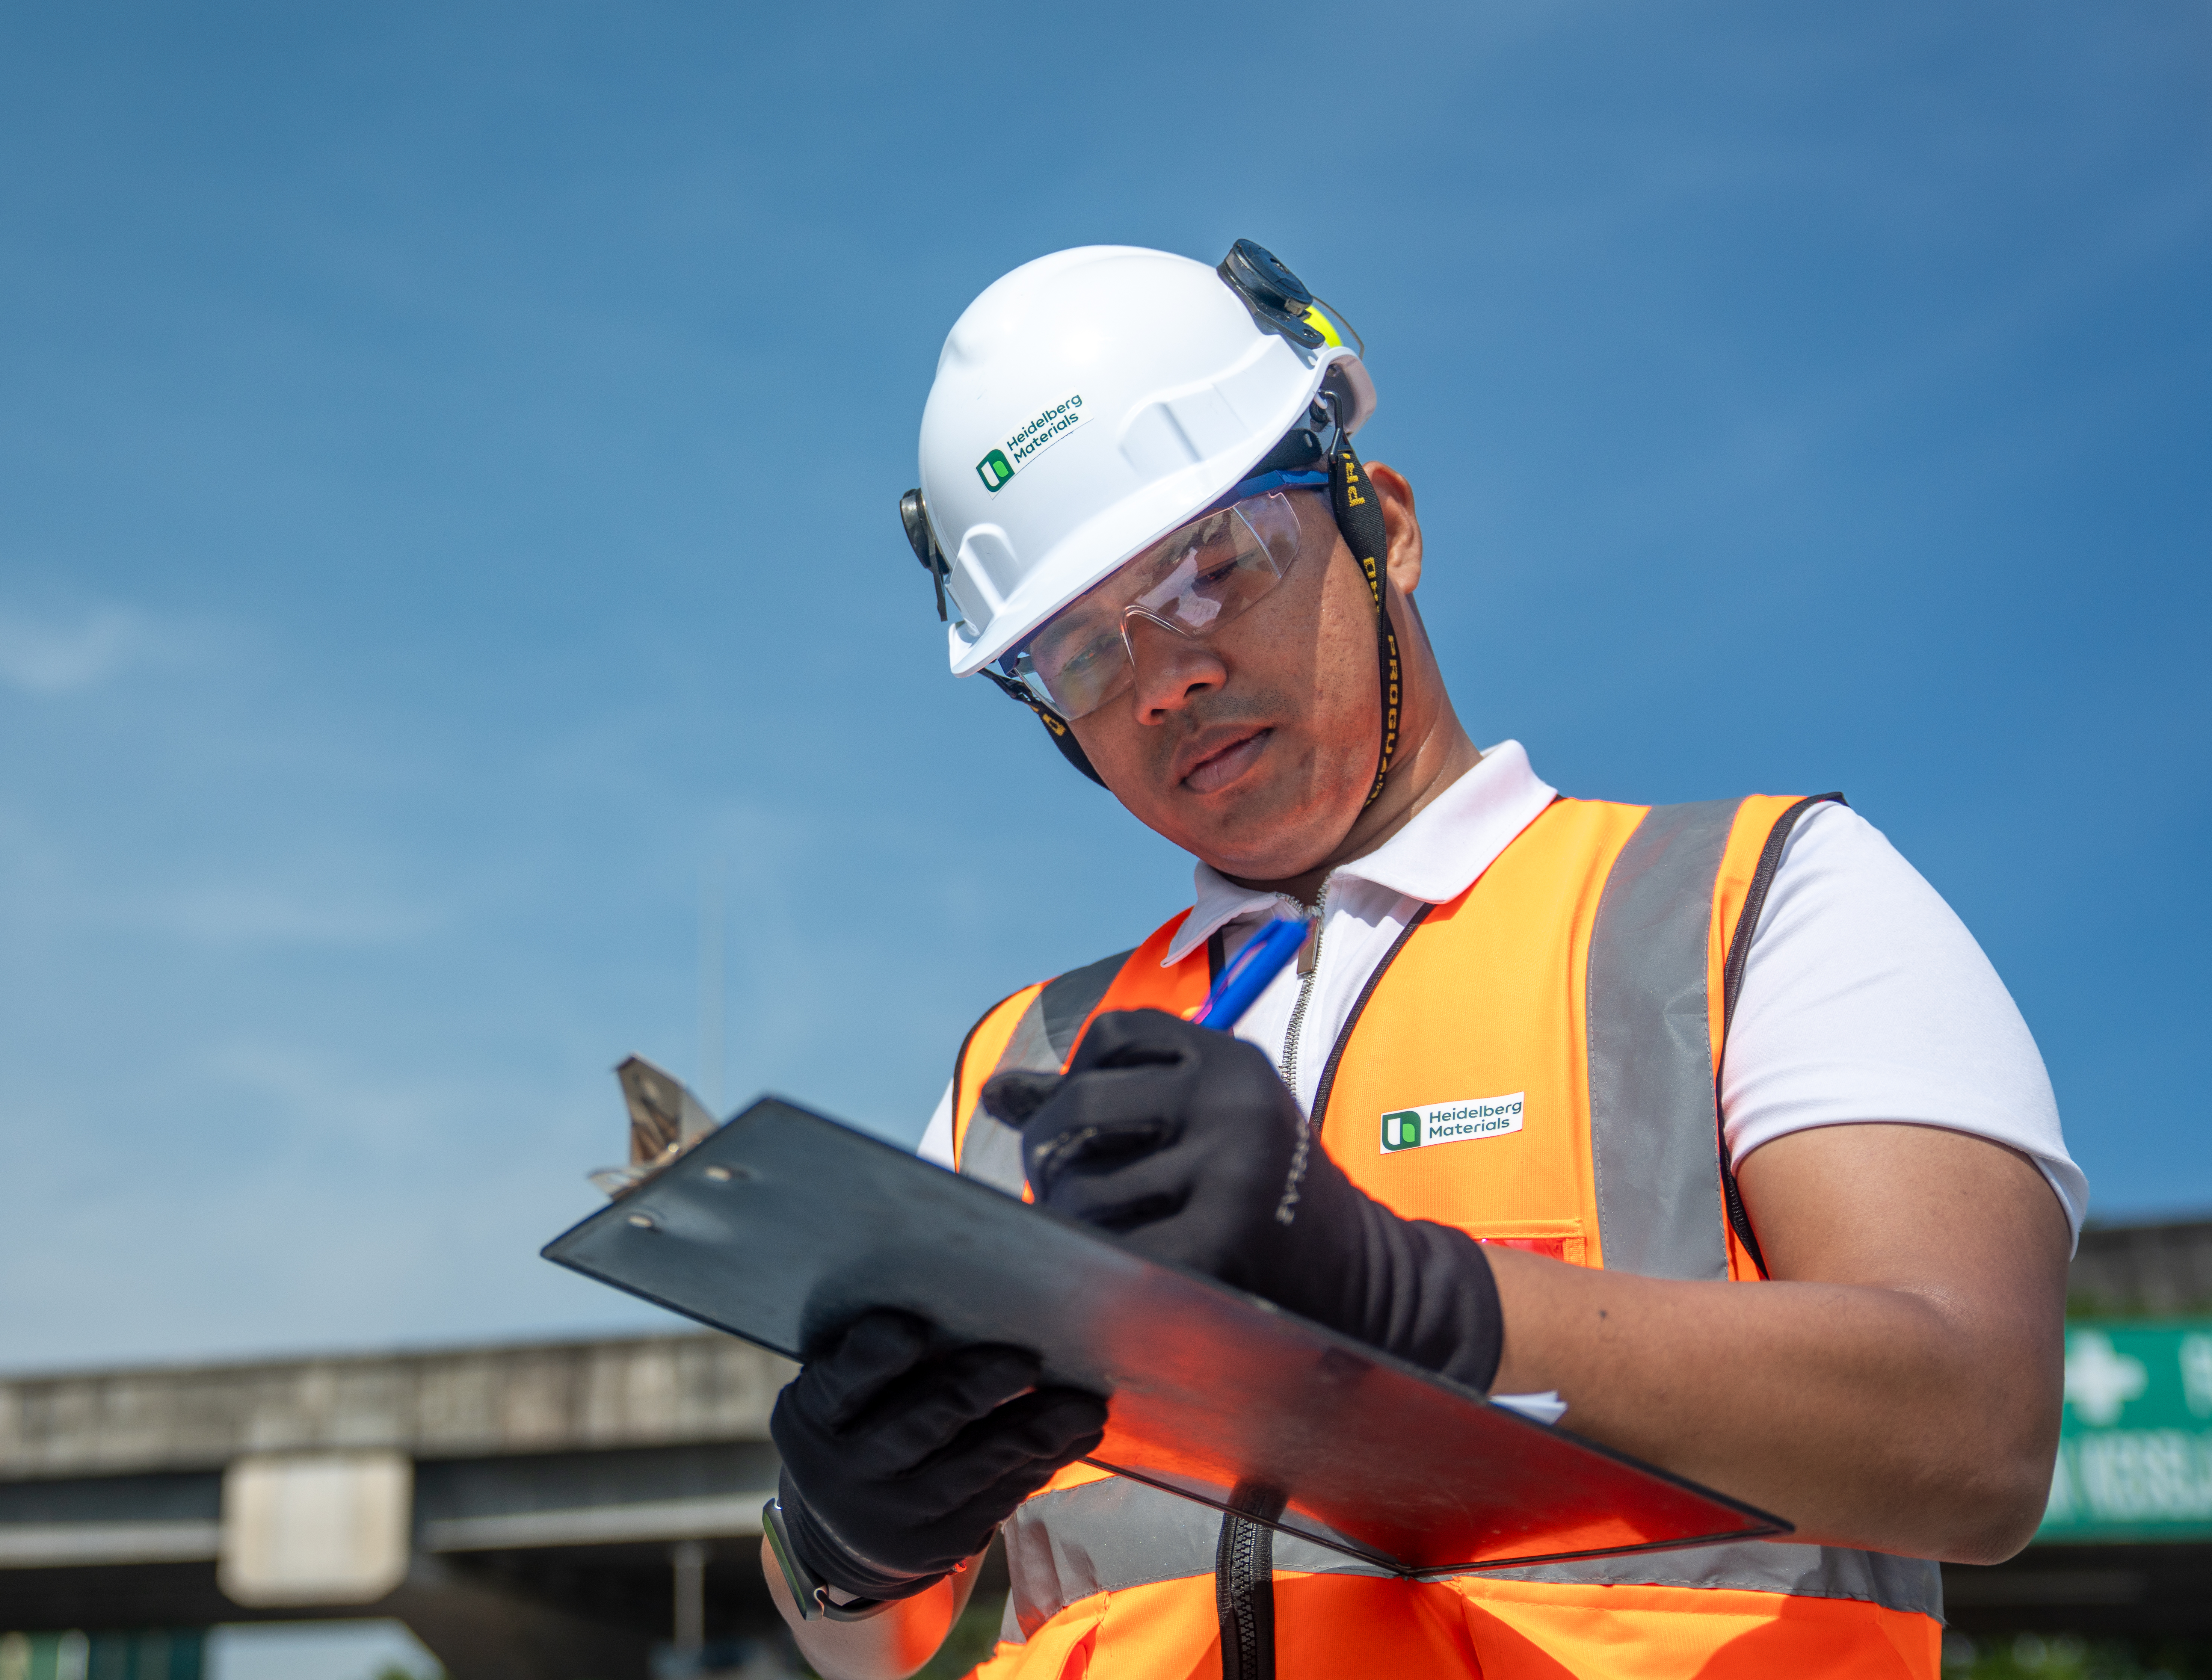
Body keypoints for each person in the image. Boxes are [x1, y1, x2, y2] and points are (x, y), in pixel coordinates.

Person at [756, 243, 2079, 1679]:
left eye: (1213, 570)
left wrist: (1412, 1300)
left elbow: (1976, 1433)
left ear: (1380, 521)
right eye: (1079, 653)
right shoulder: (1019, 1068)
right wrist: (838, 1550)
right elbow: (872, 1652)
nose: (1165, 677)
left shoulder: (1749, 907)